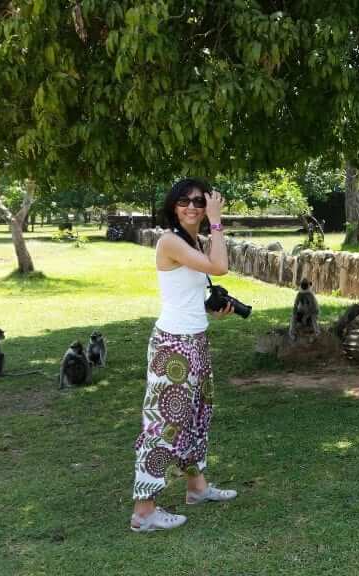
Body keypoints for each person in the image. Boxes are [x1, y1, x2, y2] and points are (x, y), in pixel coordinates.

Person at [130, 178, 237, 532]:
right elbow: (220, 267)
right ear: (173, 206)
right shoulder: (170, 241)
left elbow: (185, 296)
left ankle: (196, 488)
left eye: (198, 201)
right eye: (184, 201)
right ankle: (144, 511)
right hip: (172, 345)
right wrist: (218, 220)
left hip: (195, 339)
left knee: (196, 419)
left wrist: (209, 312)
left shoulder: (193, 241)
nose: (191, 207)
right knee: (162, 426)